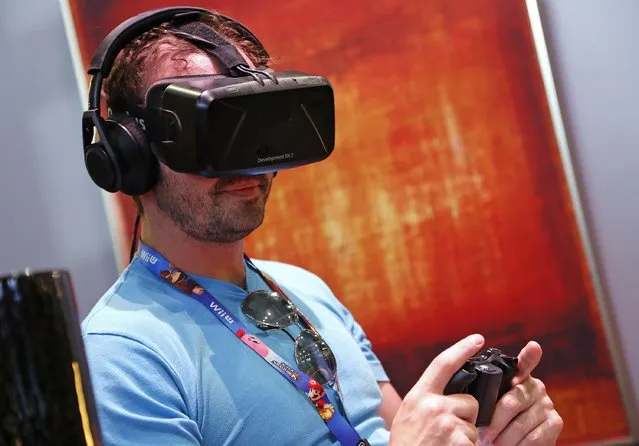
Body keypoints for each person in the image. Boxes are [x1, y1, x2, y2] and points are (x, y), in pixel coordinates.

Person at [81, 8, 564, 446]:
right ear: (131, 151)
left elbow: (391, 433)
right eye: (210, 131)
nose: (245, 165)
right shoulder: (122, 357)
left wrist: (489, 436)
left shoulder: (306, 289)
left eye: (254, 127)